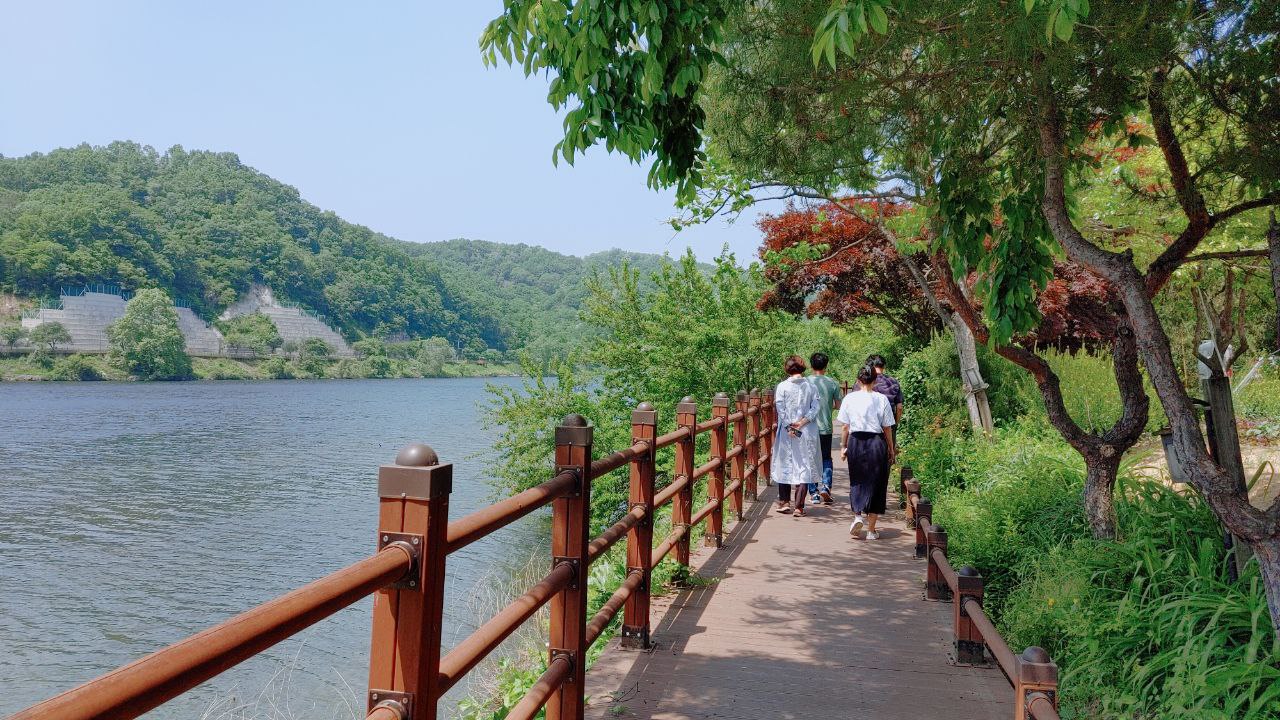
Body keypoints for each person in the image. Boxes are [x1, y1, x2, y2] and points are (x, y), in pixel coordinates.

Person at [838, 364, 896, 539]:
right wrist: (891, 449)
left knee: (857, 480)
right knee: (877, 483)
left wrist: (843, 446)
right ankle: (871, 530)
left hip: (856, 441)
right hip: (876, 443)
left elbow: (845, 427)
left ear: (858, 380)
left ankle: (857, 516)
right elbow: (887, 427)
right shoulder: (881, 399)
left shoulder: (850, 398)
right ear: (875, 380)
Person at [770, 355, 823, 517]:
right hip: (806, 431)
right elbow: (816, 407)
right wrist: (802, 422)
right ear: (802, 368)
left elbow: (780, 408)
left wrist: (789, 425)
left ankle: (785, 502)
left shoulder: (782, 386)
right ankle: (799, 507)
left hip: (787, 432)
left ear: (787, 369)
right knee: (804, 465)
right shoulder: (811, 386)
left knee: (785, 463)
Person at [807, 352, 841, 505]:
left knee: (811, 459)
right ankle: (826, 486)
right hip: (826, 427)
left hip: (808, 427)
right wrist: (827, 406)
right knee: (826, 458)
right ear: (826, 366)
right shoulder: (832, 383)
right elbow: (838, 405)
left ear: (811, 365)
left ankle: (814, 493)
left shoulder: (805, 382)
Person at [867, 353, 904, 425]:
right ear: (884, 366)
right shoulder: (893, 382)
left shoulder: (863, 382)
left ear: (869, 367)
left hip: (868, 424)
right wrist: (895, 423)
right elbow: (899, 407)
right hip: (889, 423)